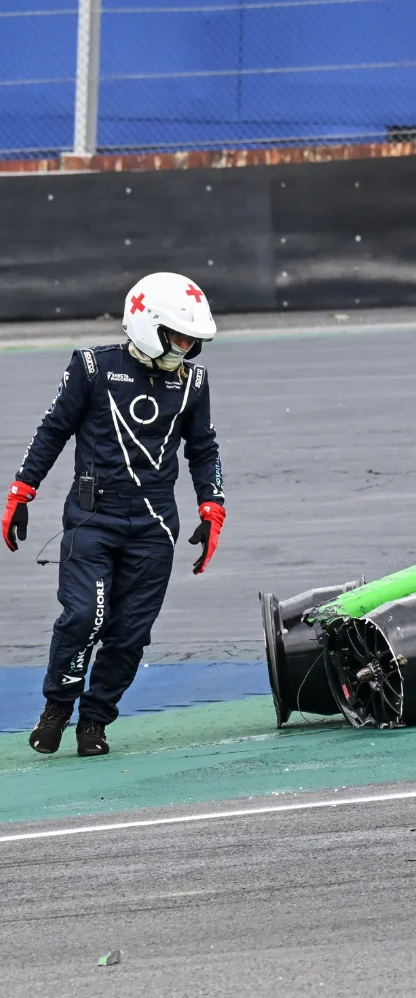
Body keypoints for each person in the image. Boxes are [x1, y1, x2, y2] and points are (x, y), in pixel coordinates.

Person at [5, 273, 225, 757]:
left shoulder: (195, 382)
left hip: (155, 528)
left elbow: (203, 448)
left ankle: (95, 722)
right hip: (92, 521)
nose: (187, 348)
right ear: (148, 325)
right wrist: (22, 491)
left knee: (130, 635)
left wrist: (212, 506)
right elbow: (53, 429)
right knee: (85, 615)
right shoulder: (92, 367)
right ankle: (56, 710)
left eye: (193, 340)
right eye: (179, 336)